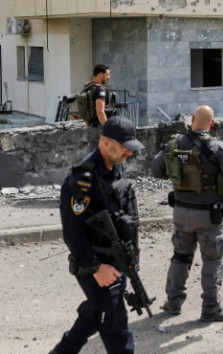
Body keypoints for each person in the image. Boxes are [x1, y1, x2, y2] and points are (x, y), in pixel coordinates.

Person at [150, 105, 223, 322]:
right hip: (209, 216)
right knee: (212, 261)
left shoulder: (173, 145)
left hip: (180, 212)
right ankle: (211, 309)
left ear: (192, 119)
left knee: (180, 257)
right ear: (212, 123)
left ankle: (172, 303)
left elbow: (155, 169)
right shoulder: (218, 148)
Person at [51, 116, 145, 354]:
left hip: (117, 262)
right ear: (105, 143)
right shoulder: (82, 181)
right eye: (125, 147)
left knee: (94, 315)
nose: (129, 153)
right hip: (95, 266)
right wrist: (96, 268)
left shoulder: (114, 168)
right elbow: (73, 233)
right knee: (118, 331)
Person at [83, 64, 113, 152]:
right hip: (100, 129)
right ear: (101, 75)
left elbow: (86, 110)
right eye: (107, 74)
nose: (109, 77)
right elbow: (100, 112)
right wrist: (109, 129)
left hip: (91, 128)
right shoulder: (100, 90)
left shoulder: (89, 87)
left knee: (93, 156)